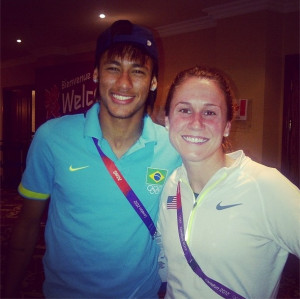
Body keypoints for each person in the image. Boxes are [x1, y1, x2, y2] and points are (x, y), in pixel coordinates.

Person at [5, 20, 181, 298]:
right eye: (113, 68)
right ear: (96, 73)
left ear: (153, 81)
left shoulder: (172, 148)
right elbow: (27, 224)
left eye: (137, 71)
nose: (124, 83)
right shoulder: (52, 138)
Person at [157, 65, 300, 298]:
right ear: (167, 122)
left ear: (226, 126)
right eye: (184, 110)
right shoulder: (171, 185)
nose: (196, 122)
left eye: (210, 112)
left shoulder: (264, 185)